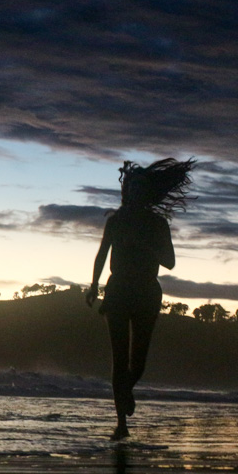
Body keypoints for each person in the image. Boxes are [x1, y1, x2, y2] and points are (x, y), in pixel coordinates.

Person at [86, 158, 195, 439]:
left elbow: (170, 262)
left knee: (138, 363)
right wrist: (94, 285)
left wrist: (144, 245)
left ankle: (126, 391)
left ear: (147, 193)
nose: (135, 191)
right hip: (118, 290)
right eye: (132, 187)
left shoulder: (158, 224)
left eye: (140, 188)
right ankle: (121, 424)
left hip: (146, 291)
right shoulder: (115, 221)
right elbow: (102, 254)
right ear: (126, 191)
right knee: (119, 359)